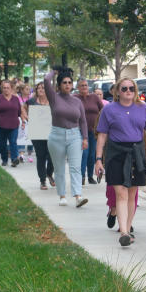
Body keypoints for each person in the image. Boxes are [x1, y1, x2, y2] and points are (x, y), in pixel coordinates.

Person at [94, 77, 146, 247]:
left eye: (131, 88)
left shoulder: (143, 108)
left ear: (135, 90)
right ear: (117, 91)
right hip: (116, 153)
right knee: (121, 193)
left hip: (136, 152)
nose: (128, 91)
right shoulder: (109, 110)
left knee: (132, 193)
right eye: (124, 88)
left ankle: (127, 228)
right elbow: (102, 135)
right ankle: (123, 231)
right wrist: (98, 159)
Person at [44, 68, 88, 208]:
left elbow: (83, 121)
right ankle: (62, 195)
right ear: (59, 85)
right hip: (57, 135)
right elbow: (46, 80)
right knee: (59, 168)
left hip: (75, 135)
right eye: (64, 82)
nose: (67, 85)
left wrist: (85, 138)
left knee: (75, 167)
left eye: (69, 82)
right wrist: (54, 71)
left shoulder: (77, 101)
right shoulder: (54, 97)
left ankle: (78, 196)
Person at [0, 80, 24, 167]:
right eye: (4, 88)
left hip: (14, 125)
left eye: (8, 88)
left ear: (11, 89)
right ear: (2, 89)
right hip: (1, 125)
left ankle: (14, 159)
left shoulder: (15, 99)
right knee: (2, 144)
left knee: (13, 142)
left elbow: (20, 112)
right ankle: (4, 159)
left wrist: (23, 121)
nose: (6, 89)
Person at [26, 82, 54, 190]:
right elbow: (22, 108)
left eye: (43, 88)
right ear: (36, 90)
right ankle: (42, 181)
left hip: (51, 132)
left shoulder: (53, 101)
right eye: (39, 88)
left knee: (52, 156)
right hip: (37, 131)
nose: (41, 89)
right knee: (41, 156)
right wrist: (25, 116)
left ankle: (49, 173)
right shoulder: (32, 101)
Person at [76, 78, 103, 186]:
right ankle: (82, 176)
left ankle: (90, 176)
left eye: (86, 85)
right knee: (84, 154)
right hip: (81, 131)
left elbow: (103, 110)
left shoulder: (94, 97)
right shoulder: (75, 98)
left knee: (92, 155)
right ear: (78, 88)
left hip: (94, 130)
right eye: (82, 85)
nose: (84, 87)